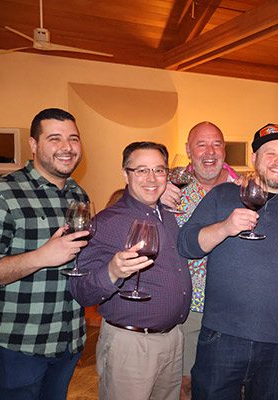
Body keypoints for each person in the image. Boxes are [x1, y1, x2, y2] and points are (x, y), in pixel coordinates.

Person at [177, 123, 278, 399]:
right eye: (270, 153)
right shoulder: (222, 196)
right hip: (222, 338)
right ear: (254, 158)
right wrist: (224, 228)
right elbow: (186, 244)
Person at [68, 142, 192, 400]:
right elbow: (81, 291)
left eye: (159, 170)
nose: (152, 178)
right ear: (125, 174)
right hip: (131, 345)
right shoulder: (107, 222)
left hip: (172, 340)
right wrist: (112, 271)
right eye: (141, 170)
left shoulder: (168, 215)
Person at [0, 108, 90, 399]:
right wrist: (42, 256)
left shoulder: (78, 195)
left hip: (67, 341)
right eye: (55, 138)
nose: (67, 147)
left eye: (73, 138)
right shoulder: (0, 193)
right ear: (33, 144)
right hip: (15, 346)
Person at [160, 121, 239, 400]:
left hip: (233, 308)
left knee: (227, 384)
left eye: (216, 144)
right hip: (190, 305)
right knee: (185, 383)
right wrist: (153, 196)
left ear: (224, 150)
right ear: (188, 151)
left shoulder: (244, 189)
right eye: (201, 144)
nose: (210, 152)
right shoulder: (170, 188)